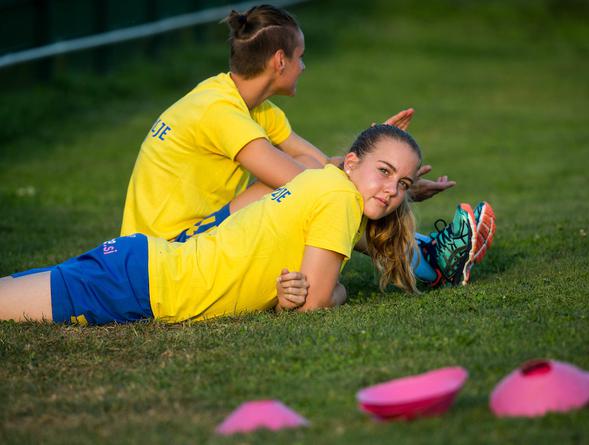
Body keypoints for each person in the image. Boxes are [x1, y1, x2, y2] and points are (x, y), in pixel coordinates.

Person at [118, 4, 470, 288]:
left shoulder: (250, 107)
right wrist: (378, 177)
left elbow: (320, 165)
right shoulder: (220, 113)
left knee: (331, 191)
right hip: (163, 255)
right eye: (300, 56)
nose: (304, 66)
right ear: (279, 61)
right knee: (294, 192)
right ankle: (428, 261)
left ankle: (423, 253)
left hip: (191, 239)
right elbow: (304, 184)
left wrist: (382, 171)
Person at [1, 125, 462, 326]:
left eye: (402, 184)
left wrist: (292, 295)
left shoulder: (326, 183)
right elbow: (316, 304)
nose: (392, 190)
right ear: (352, 162)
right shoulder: (340, 196)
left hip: (142, 268)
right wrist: (334, 292)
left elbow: (298, 299)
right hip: (146, 282)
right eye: (384, 172)